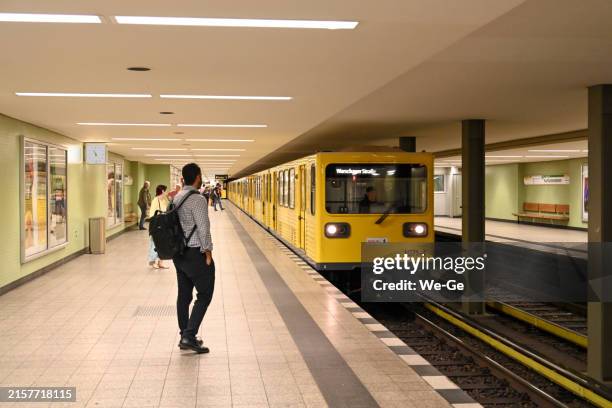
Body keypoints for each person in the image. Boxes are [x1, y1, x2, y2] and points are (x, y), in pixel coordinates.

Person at [173, 163, 215, 354]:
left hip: (179, 254)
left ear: (183, 178)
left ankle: (184, 334)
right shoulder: (197, 199)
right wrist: (208, 253)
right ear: (197, 177)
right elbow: (204, 228)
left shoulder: (178, 197)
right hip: (195, 253)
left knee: (184, 295)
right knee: (205, 294)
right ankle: (189, 335)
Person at [148, 185, 170, 269]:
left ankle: (161, 262)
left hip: (163, 225)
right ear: (162, 191)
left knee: (163, 244)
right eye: (165, 191)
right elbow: (152, 214)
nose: (166, 192)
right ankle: (153, 262)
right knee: (155, 243)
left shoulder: (164, 200)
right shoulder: (155, 200)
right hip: (156, 226)